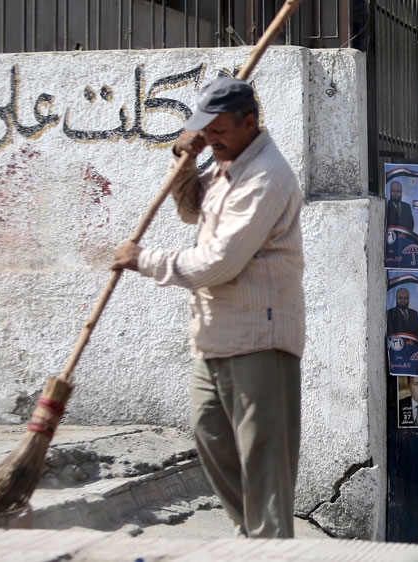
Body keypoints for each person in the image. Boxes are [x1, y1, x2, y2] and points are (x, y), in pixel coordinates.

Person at [111, 76, 304, 539]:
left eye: (219, 131)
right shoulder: (226, 163)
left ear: (250, 123)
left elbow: (220, 261)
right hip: (214, 335)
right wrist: (184, 162)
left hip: (261, 337)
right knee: (209, 436)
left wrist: (145, 261)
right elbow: (192, 209)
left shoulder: (266, 176)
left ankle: (270, 543)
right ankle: (256, 537)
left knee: (264, 460)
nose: (212, 139)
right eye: (206, 131)